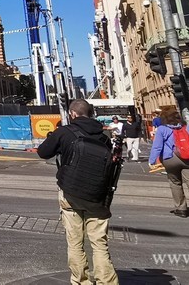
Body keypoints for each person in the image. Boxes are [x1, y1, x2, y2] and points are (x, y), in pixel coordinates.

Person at [36, 100, 119, 285]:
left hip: (70, 192)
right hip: (97, 195)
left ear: (73, 114)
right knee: (100, 244)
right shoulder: (104, 136)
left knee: (75, 243)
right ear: (91, 113)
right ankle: (107, 282)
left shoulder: (65, 132)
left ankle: (81, 281)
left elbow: (43, 152)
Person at [148, 106, 189, 225]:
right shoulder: (188, 128)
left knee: (175, 182)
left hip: (171, 159)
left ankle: (181, 209)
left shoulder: (162, 129)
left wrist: (152, 160)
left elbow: (157, 146)